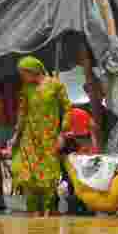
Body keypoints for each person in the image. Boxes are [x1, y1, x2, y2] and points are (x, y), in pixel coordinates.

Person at [9, 56, 72, 215]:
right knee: (26, 174)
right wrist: (16, 135)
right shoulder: (26, 88)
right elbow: (22, 114)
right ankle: (32, 214)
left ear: (33, 71)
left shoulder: (56, 85)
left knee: (48, 177)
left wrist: (62, 134)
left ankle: (49, 213)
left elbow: (67, 110)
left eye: (23, 73)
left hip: (49, 137)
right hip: (29, 138)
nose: (22, 77)